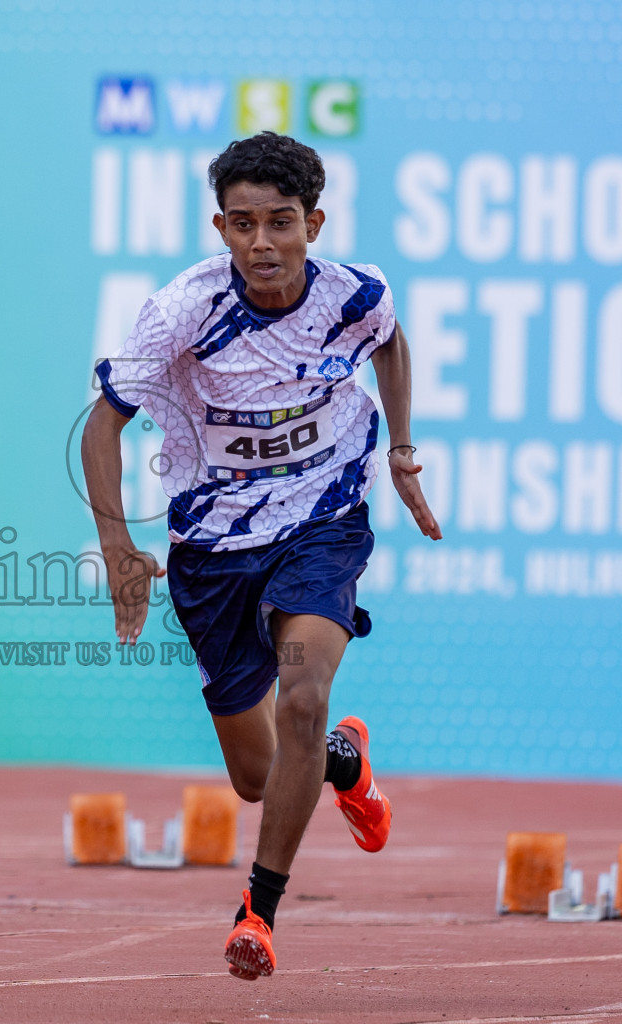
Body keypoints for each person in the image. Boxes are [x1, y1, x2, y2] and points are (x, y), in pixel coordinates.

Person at [79, 132, 441, 980]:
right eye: (242, 226)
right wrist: (117, 544)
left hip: (322, 522)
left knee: (305, 696)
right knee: (256, 774)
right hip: (212, 547)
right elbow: (104, 422)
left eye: (281, 223)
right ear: (221, 226)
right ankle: (344, 764)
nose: (262, 244)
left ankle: (259, 912)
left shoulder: (356, 294)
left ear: (314, 223)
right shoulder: (182, 313)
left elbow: (388, 338)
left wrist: (399, 447)